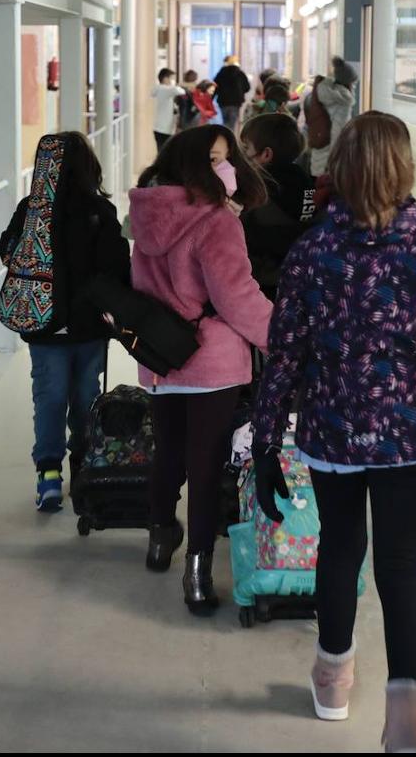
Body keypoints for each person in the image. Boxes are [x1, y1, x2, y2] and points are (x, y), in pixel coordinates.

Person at [251, 112, 416, 751]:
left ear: (338, 169)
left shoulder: (311, 251)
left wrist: (263, 444)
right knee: (401, 567)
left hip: (332, 435)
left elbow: (283, 353)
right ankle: (404, 724)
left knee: (340, 552)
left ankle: (332, 682)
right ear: (403, 169)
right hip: (409, 438)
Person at [128, 124, 272, 615]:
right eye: (213, 160)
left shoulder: (148, 214)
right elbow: (238, 298)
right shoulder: (215, 222)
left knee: (168, 452)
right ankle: (197, 573)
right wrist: (280, 337)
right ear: (190, 163)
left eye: (225, 159)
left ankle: (158, 536)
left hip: (162, 357)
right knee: (206, 464)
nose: (224, 169)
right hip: (212, 362)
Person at [0, 132, 131, 513]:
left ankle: (49, 473)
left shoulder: (31, 208)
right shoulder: (99, 210)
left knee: (50, 397)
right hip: (89, 328)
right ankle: (86, 465)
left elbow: (6, 250)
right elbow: (117, 267)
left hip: (43, 327)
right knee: (87, 398)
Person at [238, 113, 318, 299]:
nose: (241, 155)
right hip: (298, 276)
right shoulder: (305, 181)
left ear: (265, 154)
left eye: (245, 148)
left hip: (261, 279)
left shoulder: (258, 189)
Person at [306, 57, 358, 178]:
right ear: (348, 82)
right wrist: (335, 161)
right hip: (329, 160)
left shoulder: (323, 92)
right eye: (353, 83)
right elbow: (338, 133)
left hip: (319, 149)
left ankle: (309, 197)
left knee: (313, 191)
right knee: (325, 193)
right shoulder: (343, 102)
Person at [213, 55, 252, 132]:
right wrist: (240, 92)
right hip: (235, 102)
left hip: (223, 101)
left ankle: (225, 138)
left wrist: (211, 99)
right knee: (232, 123)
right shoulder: (240, 74)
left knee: (225, 122)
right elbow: (247, 87)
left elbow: (215, 87)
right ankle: (230, 139)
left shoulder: (221, 73)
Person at [152, 68, 185, 153]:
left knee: (162, 151)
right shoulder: (165, 90)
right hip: (164, 128)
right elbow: (180, 91)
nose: (173, 80)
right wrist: (175, 85)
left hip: (160, 127)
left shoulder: (159, 89)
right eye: (171, 78)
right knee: (165, 153)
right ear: (165, 78)